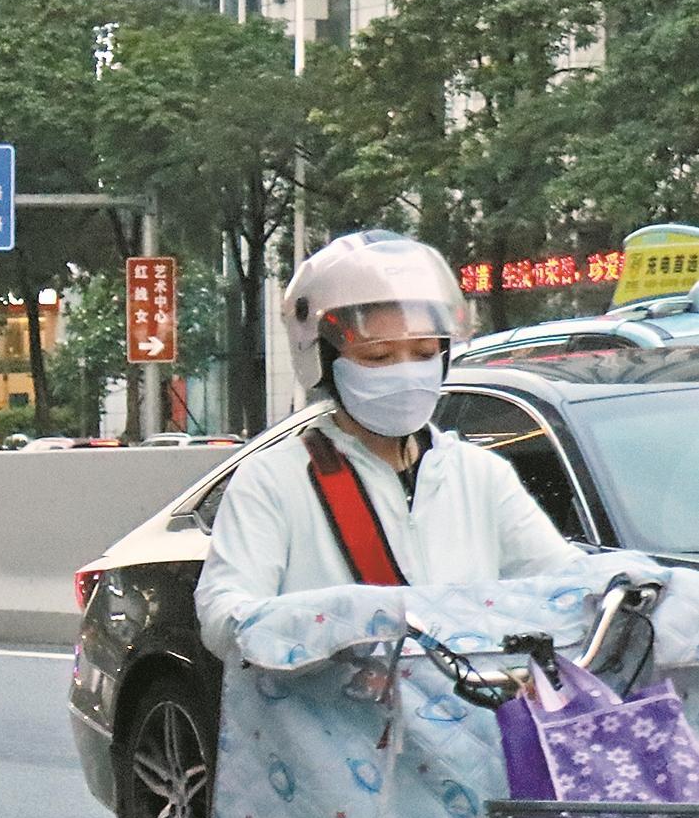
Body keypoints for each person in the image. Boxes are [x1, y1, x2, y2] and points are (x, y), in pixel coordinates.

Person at [195, 229, 583, 659]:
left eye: (422, 353)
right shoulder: (273, 480)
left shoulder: (479, 475)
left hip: (469, 722)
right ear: (320, 359)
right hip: (330, 722)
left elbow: (565, 584)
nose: (406, 372)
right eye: (378, 357)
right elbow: (223, 616)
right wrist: (330, 626)